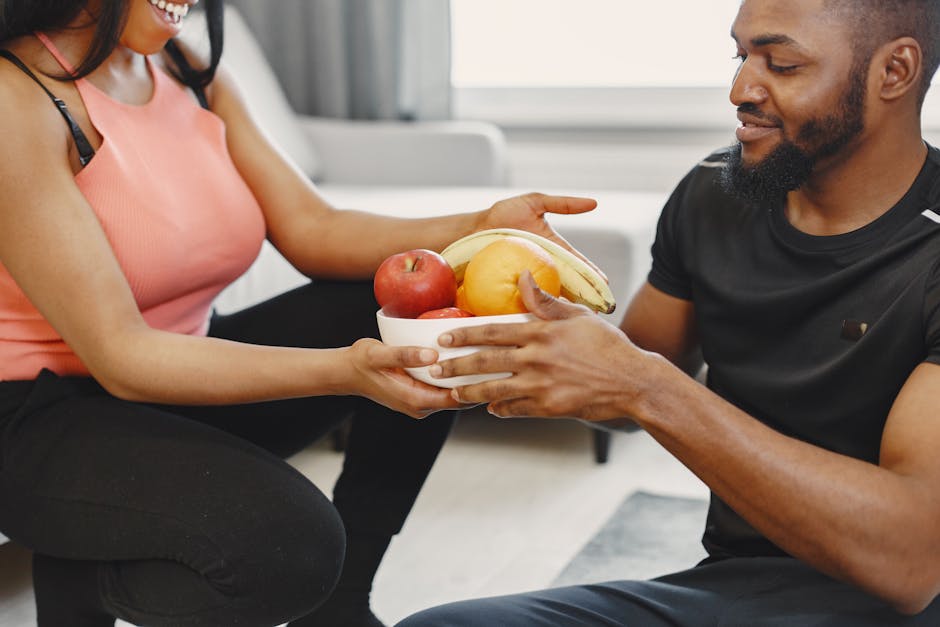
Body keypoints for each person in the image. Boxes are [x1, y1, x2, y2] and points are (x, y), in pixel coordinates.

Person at [0, 1, 600, 626]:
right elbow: (122, 356)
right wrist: (344, 371)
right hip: (35, 418)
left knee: (408, 314)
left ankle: (340, 611)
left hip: (170, 382)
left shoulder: (186, 67)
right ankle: (85, 575)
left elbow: (312, 227)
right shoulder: (16, 98)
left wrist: (479, 224)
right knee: (292, 549)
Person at [397, 0, 940, 625]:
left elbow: (913, 564)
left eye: (783, 64)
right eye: (740, 57)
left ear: (894, 72)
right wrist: (560, 352)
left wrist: (645, 386)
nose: (740, 89)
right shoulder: (713, 192)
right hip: (740, 588)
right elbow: (632, 388)